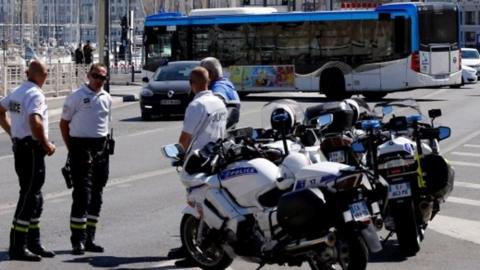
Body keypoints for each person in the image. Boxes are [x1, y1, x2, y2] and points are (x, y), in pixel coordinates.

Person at [169, 67, 227, 266]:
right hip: (217, 158)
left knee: (197, 205)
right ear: (208, 81)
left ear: (191, 84)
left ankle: (194, 250)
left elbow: (186, 136)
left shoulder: (197, 105)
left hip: (198, 161)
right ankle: (192, 246)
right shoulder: (219, 102)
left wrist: (178, 154)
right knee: (209, 203)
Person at [0, 60, 56, 261]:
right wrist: (47, 144)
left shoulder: (18, 91)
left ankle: (33, 242)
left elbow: (1, 110)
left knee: (34, 196)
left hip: (21, 148)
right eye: (47, 72)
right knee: (29, 196)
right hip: (32, 150)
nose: (48, 75)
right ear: (41, 75)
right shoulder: (35, 94)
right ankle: (18, 245)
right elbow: (35, 120)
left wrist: (12, 133)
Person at [59, 63, 112, 255]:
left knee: (97, 195)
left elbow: (105, 125)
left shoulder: (106, 97)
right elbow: (64, 124)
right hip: (81, 148)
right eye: (96, 76)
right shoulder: (76, 97)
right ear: (88, 75)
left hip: (101, 149)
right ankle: (77, 241)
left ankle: (90, 238)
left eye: (102, 78)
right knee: (82, 195)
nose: (99, 80)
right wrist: (72, 149)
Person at [199, 57, 241, 129]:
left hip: (218, 132)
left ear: (209, 73)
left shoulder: (219, 86)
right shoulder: (226, 83)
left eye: (201, 74)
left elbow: (218, 97)